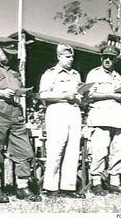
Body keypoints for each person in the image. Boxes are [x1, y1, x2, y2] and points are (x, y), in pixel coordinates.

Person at [0, 37, 42, 203]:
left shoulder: (14, 70)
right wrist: (1, 92)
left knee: (24, 150)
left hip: (15, 113)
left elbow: (18, 87)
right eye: (7, 53)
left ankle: (22, 187)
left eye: (13, 54)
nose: (11, 57)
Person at [38, 43, 85, 199]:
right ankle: (50, 187)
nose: (71, 59)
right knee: (56, 148)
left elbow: (78, 93)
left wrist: (82, 96)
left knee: (73, 149)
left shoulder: (75, 74)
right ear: (59, 57)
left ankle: (68, 187)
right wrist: (64, 96)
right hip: (57, 110)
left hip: (74, 110)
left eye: (72, 56)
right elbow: (43, 95)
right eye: (67, 56)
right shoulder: (51, 73)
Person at [85, 45, 121, 195]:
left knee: (118, 151)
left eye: (111, 58)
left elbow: (120, 96)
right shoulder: (94, 73)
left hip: (117, 116)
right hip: (100, 116)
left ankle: (114, 182)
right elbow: (89, 95)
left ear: (116, 59)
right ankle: (96, 181)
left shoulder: (118, 76)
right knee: (99, 150)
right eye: (105, 57)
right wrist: (112, 95)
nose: (108, 60)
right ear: (101, 58)